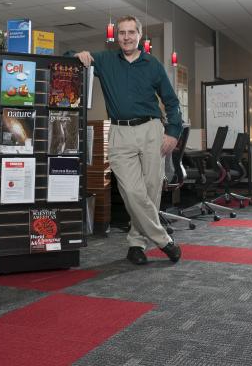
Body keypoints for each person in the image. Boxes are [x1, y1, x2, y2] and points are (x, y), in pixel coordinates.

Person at [74, 15, 183, 265]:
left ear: (139, 35)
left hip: (151, 130)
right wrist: (78, 54)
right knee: (133, 191)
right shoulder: (105, 60)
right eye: (122, 32)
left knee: (151, 190)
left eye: (131, 32)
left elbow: (172, 102)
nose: (126, 37)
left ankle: (136, 243)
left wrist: (173, 132)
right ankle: (163, 239)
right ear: (116, 36)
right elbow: (72, 56)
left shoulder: (153, 64)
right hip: (120, 133)